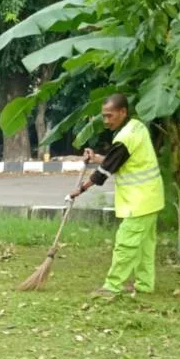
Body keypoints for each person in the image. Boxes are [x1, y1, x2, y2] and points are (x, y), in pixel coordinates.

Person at [68, 92, 165, 297]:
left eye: (109, 116)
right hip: (152, 198)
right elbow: (119, 159)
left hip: (139, 201)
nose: (105, 121)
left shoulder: (125, 138)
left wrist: (81, 188)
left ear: (123, 112)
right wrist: (96, 157)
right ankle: (145, 284)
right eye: (103, 116)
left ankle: (112, 286)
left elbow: (104, 172)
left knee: (125, 244)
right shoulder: (137, 126)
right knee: (144, 247)